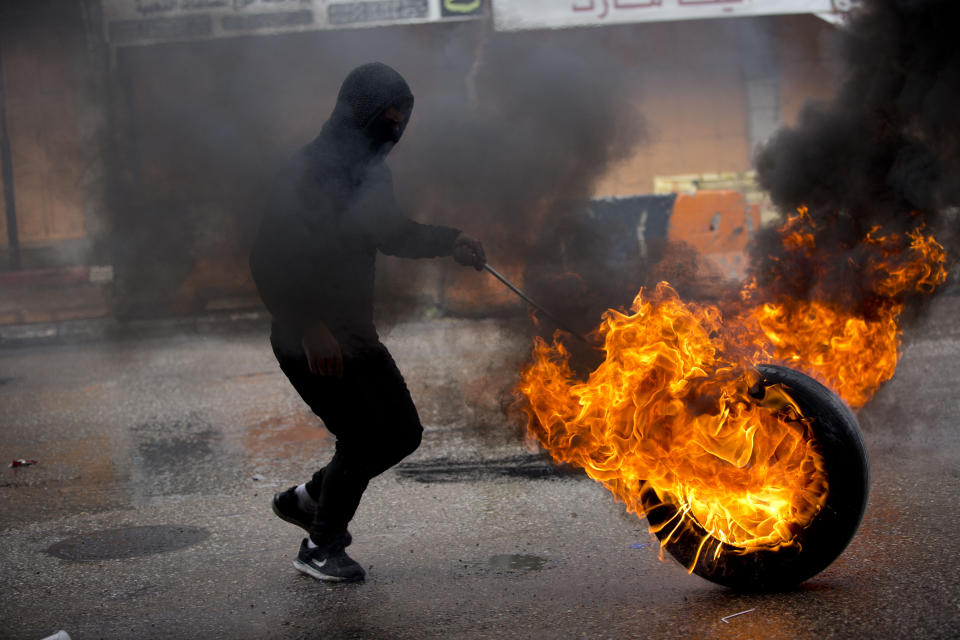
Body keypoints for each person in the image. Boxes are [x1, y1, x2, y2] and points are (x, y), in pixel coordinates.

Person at [249, 62, 485, 583]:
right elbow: (268, 260)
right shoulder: (305, 173)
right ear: (357, 112)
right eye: (388, 114)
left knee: (401, 432)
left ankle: (310, 499)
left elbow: (391, 232)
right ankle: (320, 545)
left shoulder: (371, 174)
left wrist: (450, 241)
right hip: (307, 335)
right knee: (361, 436)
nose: (397, 124)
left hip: (356, 333)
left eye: (403, 115)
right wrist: (310, 326)